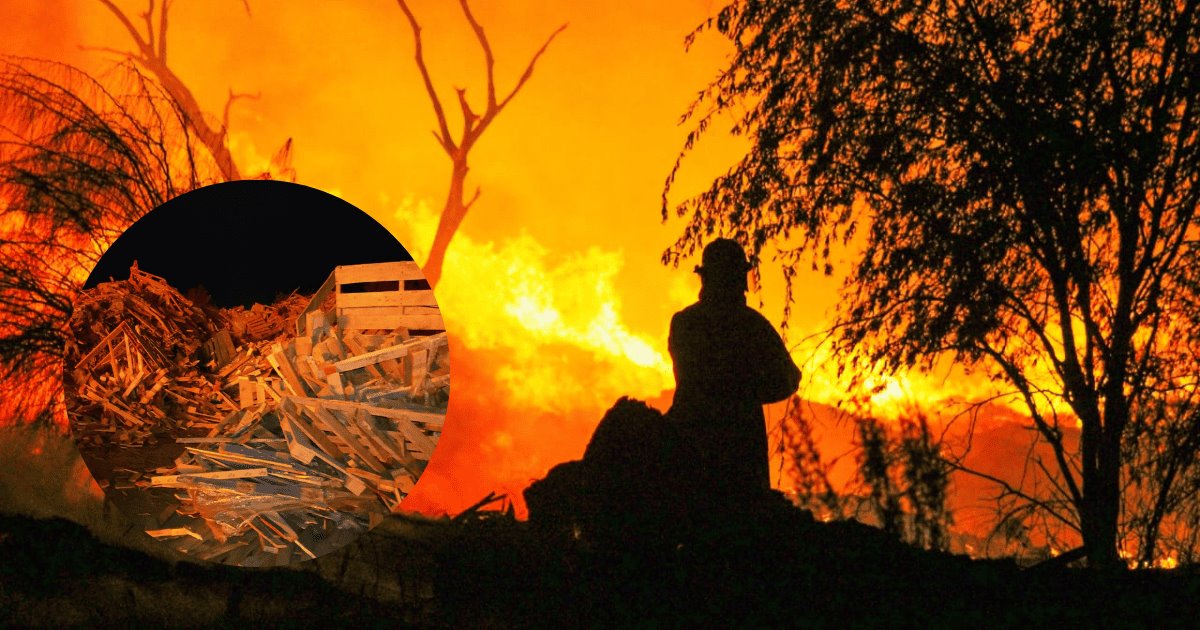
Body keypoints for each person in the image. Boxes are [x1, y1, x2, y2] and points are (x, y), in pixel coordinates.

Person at [667, 238, 801, 500]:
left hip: (690, 442)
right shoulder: (752, 326)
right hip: (741, 449)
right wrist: (747, 393)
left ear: (705, 279)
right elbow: (789, 378)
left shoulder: (685, 323)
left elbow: (688, 376)